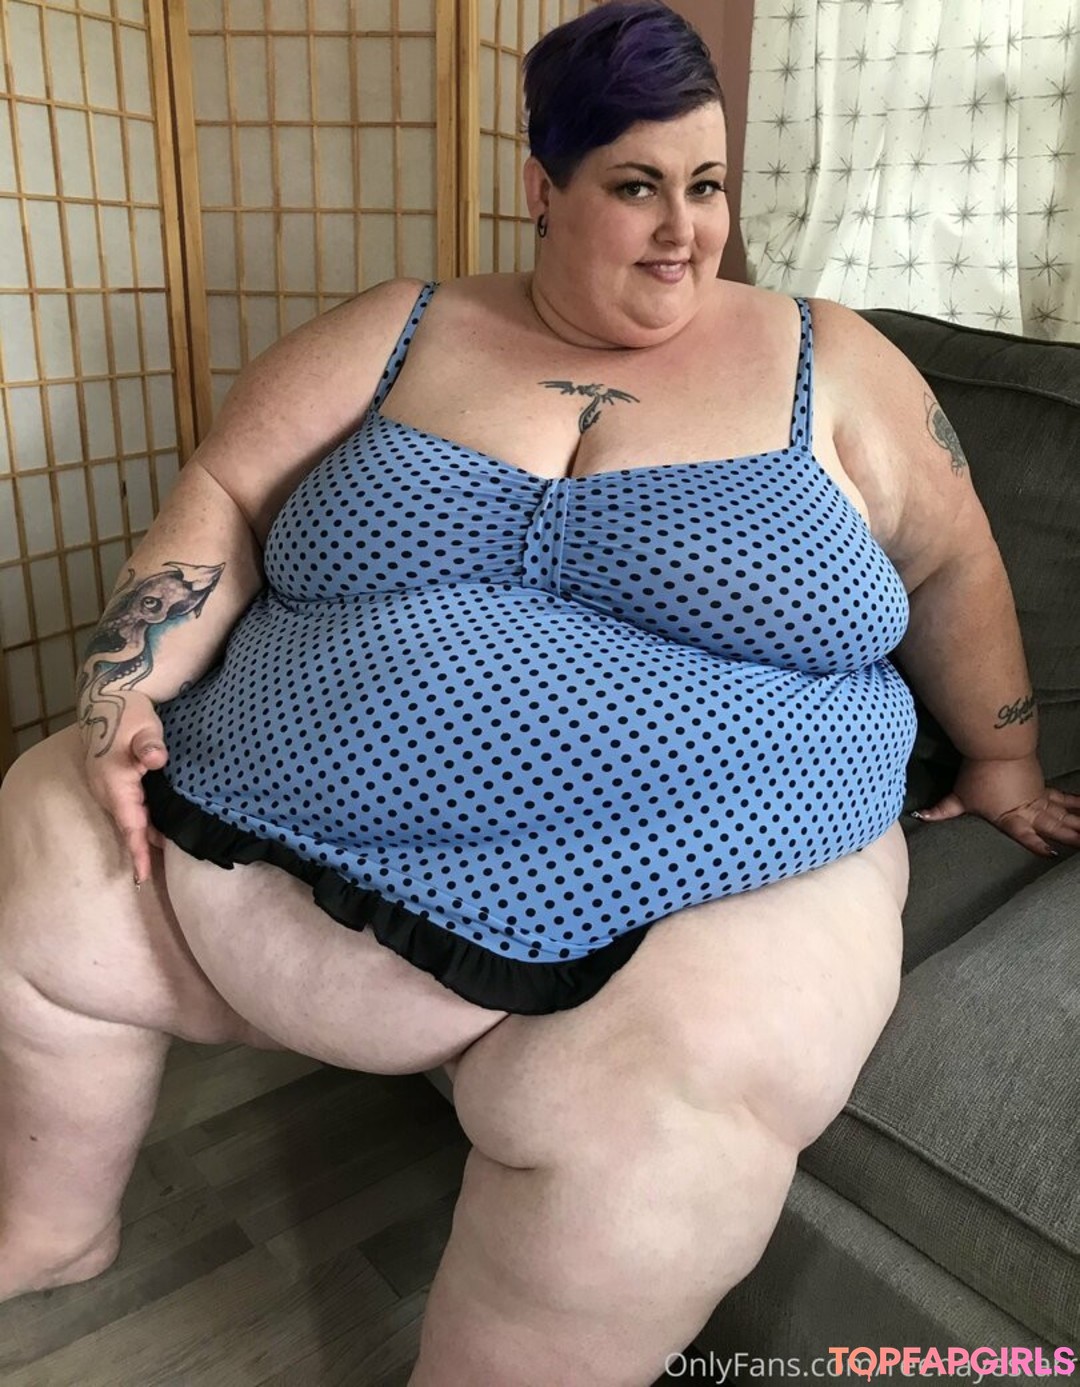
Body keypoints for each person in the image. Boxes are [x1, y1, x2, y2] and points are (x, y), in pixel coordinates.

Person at [1, 3, 1077, 1382]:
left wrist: (1002, 763)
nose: (685, 231)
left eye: (707, 184)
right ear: (542, 188)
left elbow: (954, 564)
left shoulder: (836, 362)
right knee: (49, 824)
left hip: (709, 864)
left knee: (657, 1121)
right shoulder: (399, 327)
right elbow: (225, 495)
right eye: (636, 187)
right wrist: (125, 689)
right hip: (268, 806)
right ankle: (52, 1228)